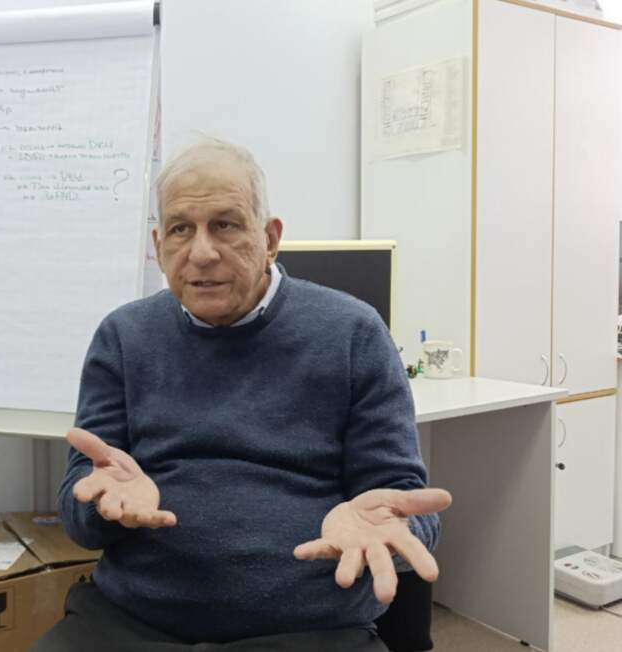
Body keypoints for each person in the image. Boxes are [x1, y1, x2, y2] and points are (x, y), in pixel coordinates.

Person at [29, 137, 452, 652]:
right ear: (159, 246)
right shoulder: (123, 336)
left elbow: (404, 503)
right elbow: (80, 513)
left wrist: (389, 528)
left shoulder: (353, 333)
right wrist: (102, 506)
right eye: (180, 229)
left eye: (225, 225)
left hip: (309, 627)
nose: (202, 252)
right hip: (136, 619)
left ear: (270, 238)